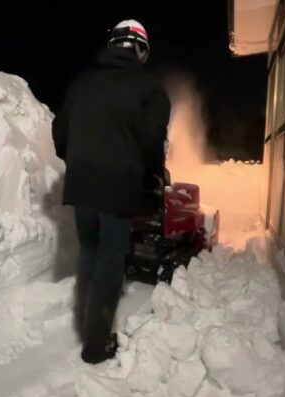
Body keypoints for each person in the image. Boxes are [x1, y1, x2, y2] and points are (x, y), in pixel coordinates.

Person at [52, 19, 171, 364]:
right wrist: (153, 179)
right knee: (111, 258)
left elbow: (60, 132)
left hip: (82, 183)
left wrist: (77, 159)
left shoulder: (82, 84)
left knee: (90, 248)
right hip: (119, 187)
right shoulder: (149, 90)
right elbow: (153, 144)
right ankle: (96, 344)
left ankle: (87, 321)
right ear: (140, 49)